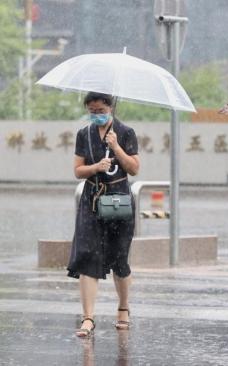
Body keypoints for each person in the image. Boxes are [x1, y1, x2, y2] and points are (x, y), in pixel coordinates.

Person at [68, 92, 140, 337]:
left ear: (110, 107)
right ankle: (88, 317)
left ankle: (123, 308)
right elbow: (78, 171)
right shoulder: (83, 134)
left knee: (120, 258)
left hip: (118, 199)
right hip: (91, 199)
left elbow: (134, 168)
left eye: (100, 110)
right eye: (92, 111)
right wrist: (95, 167)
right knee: (87, 256)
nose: (96, 115)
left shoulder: (126, 132)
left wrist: (116, 147)